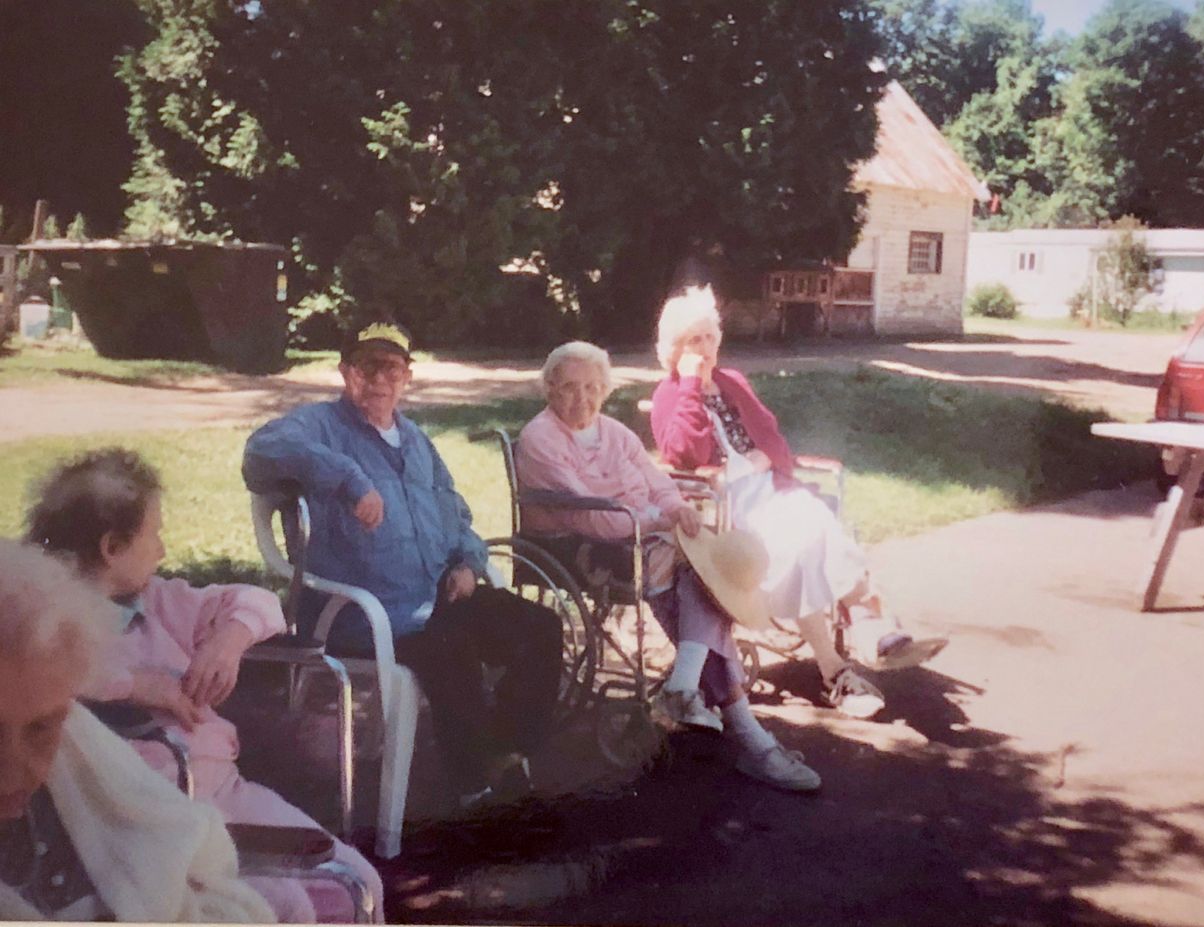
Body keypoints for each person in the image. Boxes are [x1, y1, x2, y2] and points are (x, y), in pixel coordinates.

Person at [24, 448, 384, 924]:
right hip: (142, 818)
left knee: (361, 881)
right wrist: (133, 685)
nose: (163, 549)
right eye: (153, 535)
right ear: (113, 548)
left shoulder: (159, 601)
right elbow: (33, 674)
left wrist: (229, 639)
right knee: (289, 906)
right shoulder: (41, 622)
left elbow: (259, 601)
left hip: (224, 791)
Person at [242, 320, 562, 806]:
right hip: (361, 614)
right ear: (345, 372)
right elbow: (260, 452)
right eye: (368, 367)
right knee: (451, 646)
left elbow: (453, 511)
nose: (380, 380)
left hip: (433, 596)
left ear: (407, 377)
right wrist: (348, 478)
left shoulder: (416, 441)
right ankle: (474, 785)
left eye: (393, 368)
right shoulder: (319, 426)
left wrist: (469, 563)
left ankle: (505, 752)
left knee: (540, 628)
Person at [515, 340, 822, 793]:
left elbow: (658, 482)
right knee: (697, 576)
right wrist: (661, 521)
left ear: (604, 389)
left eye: (592, 387)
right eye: (569, 388)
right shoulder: (540, 438)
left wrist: (677, 509)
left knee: (706, 571)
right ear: (550, 390)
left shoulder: (614, 431)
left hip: (644, 535)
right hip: (581, 545)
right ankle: (749, 736)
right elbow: (593, 517)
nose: (582, 398)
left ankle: (685, 688)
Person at [650, 285, 948, 718]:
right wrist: (692, 385)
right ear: (674, 348)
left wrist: (760, 459)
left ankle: (854, 651)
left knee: (814, 525)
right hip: (725, 506)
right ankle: (858, 643)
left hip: (770, 489)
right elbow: (683, 453)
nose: (706, 348)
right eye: (694, 340)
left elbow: (773, 441)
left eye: (710, 337)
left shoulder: (734, 382)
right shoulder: (670, 394)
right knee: (806, 539)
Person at [0, 538, 276, 923]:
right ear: (111, 547)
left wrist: (228, 640)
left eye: (41, 730)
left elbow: (195, 855)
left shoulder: (75, 741)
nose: (14, 771)